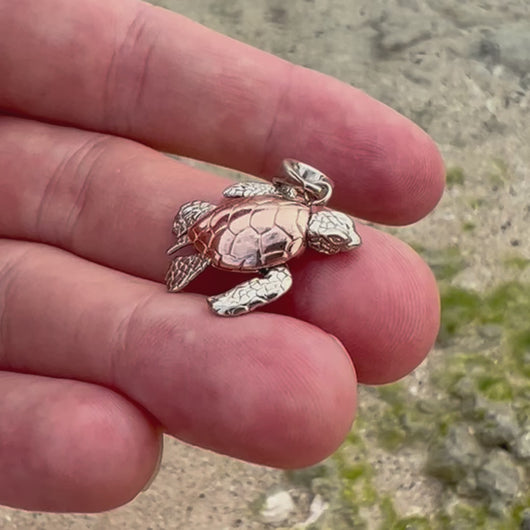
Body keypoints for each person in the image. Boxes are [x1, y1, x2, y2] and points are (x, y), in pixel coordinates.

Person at [0, 0, 445, 513]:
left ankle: (203, 257)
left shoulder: (296, 208)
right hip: (228, 232)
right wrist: (232, 293)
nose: (339, 238)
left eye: (337, 235)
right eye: (337, 235)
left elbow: (267, 189)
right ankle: (203, 260)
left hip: (236, 220)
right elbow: (273, 204)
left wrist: (264, 208)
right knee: (261, 288)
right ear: (321, 232)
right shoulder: (291, 240)